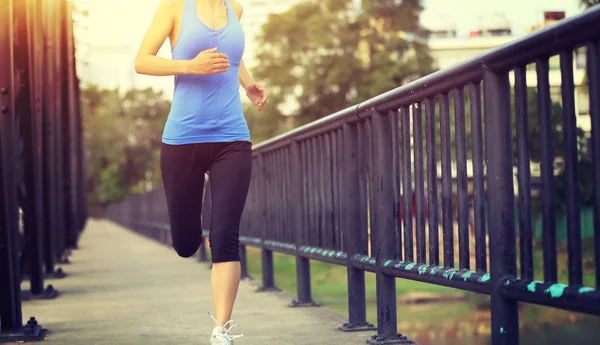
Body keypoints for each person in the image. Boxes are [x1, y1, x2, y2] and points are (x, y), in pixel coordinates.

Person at [134, 0, 267, 343]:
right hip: (183, 140)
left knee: (225, 236)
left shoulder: (235, 9)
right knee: (186, 243)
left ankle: (221, 331)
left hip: (232, 138)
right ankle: (198, 205)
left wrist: (248, 84)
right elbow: (142, 61)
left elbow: (230, 58)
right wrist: (190, 66)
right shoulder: (174, 7)